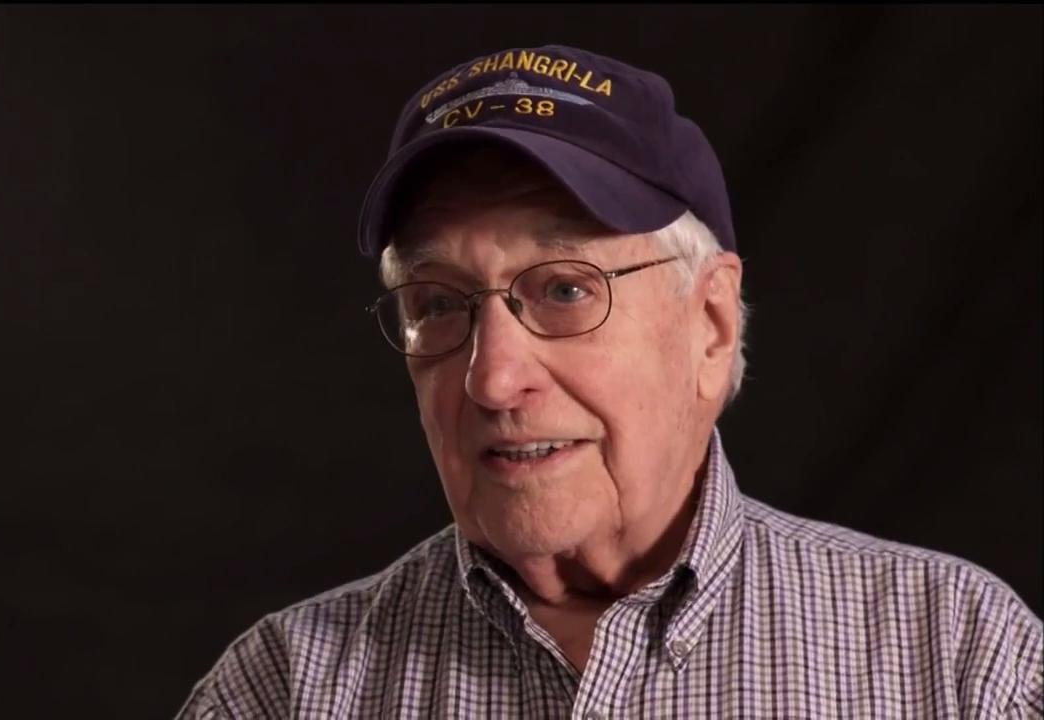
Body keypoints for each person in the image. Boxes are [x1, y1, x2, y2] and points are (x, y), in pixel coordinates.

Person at [176, 45, 1042, 718]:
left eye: (564, 290)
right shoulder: (284, 689)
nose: (493, 379)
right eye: (437, 304)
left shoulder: (958, 658)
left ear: (711, 323)